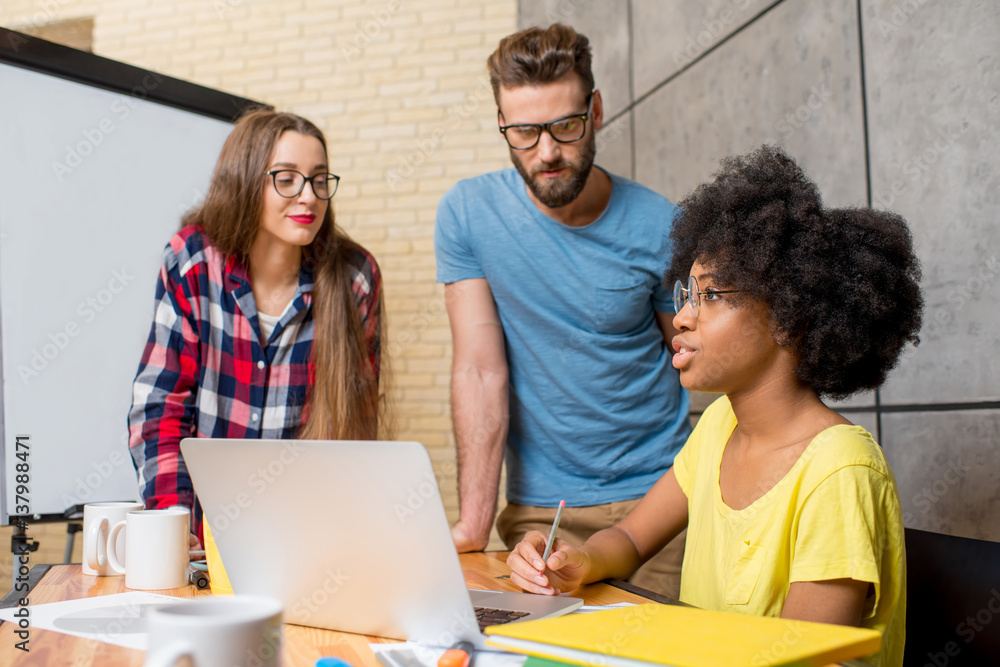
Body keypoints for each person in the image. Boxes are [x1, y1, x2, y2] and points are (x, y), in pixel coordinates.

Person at [507, 146, 922, 667]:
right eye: (686, 294)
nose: (680, 318)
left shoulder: (840, 470)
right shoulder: (721, 425)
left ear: (788, 319)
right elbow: (633, 538)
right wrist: (578, 561)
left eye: (710, 296)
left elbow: (800, 660)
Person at [435, 23, 691, 598]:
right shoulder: (468, 215)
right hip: (540, 512)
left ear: (595, 110)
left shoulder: (661, 226)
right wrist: (474, 524)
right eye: (524, 132)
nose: (547, 153)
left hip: (659, 504)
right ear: (502, 123)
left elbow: (702, 363)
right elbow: (479, 369)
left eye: (565, 127)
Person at [128, 108, 384, 550]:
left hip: (303, 543)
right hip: (200, 543)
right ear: (247, 180)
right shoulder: (192, 259)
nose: (308, 197)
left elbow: (355, 435)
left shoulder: (355, 276)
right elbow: (160, 408)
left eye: (319, 180)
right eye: (286, 178)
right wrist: (177, 524)